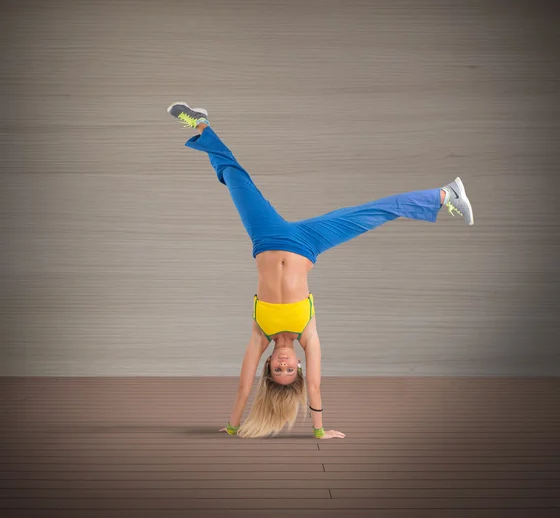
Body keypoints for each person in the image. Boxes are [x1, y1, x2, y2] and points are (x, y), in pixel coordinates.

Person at [167, 101, 474, 439]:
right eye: (289, 369)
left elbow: (243, 388)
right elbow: (313, 386)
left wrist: (232, 425)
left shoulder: (259, 335)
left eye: (277, 369)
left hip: (266, 236)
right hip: (307, 243)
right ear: (296, 365)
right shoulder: (308, 335)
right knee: (372, 212)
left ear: (267, 367)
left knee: (235, 177)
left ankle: (200, 123)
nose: (284, 363)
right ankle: (446, 194)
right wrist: (319, 430)